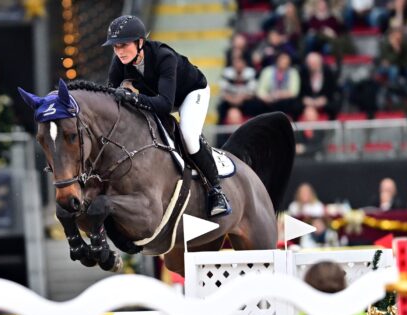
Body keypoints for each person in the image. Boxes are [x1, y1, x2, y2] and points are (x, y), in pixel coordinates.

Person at [103, 15, 230, 216]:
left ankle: (216, 191)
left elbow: (164, 105)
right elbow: (110, 98)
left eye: (123, 45)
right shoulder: (119, 63)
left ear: (140, 42)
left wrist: (133, 98)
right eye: (115, 47)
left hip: (190, 93)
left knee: (188, 136)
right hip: (157, 97)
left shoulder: (164, 56)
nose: (119, 51)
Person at [256, 51, 302, 119]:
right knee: (257, 105)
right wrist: (267, 97)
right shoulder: (267, 71)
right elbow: (260, 90)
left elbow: (294, 92)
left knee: (295, 105)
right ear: (277, 60)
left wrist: (280, 94)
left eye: (286, 61)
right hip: (269, 101)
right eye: (282, 60)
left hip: (286, 101)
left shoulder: (293, 72)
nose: (284, 63)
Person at [217, 55, 260, 124]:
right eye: (236, 63)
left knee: (254, 105)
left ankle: (253, 126)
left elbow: (252, 92)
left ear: (244, 63)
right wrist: (232, 100)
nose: (238, 65)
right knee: (221, 107)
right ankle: (220, 132)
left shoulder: (251, 72)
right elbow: (223, 91)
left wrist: (240, 98)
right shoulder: (227, 72)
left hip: (245, 100)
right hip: (230, 100)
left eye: (240, 62)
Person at [299, 52, 339, 119]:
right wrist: (305, 100)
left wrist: (324, 99)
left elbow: (332, 90)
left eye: (314, 63)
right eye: (309, 63)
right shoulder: (302, 73)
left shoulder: (328, 73)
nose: (311, 65)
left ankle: (329, 128)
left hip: (324, 101)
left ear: (320, 62)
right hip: (307, 102)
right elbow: (300, 91)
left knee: (333, 107)